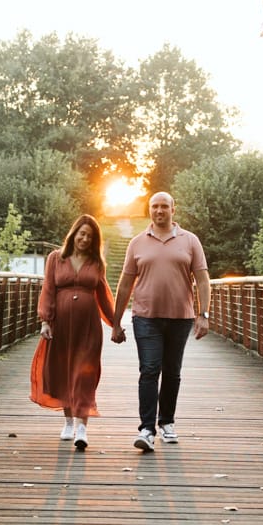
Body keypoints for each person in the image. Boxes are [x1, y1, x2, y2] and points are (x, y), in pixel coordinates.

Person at [110, 191, 210, 453]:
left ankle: (167, 422)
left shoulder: (190, 241)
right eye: (155, 206)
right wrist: (115, 321)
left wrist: (204, 314)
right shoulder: (137, 243)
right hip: (146, 317)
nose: (159, 210)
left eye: (164, 206)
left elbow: (202, 280)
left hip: (181, 317)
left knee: (172, 372)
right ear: (149, 210)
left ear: (173, 210)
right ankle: (146, 429)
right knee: (150, 369)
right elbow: (124, 284)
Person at [30, 214, 119, 450]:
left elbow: (104, 297)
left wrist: (115, 323)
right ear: (74, 234)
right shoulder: (56, 258)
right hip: (60, 325)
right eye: (82, 234)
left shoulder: (96, 263)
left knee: (84, 373)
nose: (85, 239)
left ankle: (82, 427)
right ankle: (68, 421)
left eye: (90, 236)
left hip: (88, 327)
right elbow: (48, 289)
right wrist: (45, 321)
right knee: (64, 371)